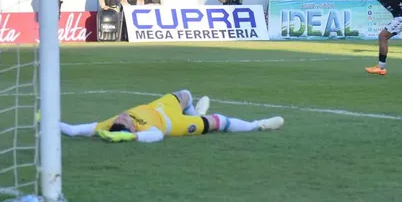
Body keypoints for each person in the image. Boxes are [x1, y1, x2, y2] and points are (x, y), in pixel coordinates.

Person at [59, 89, 284, 143]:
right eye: (124, 120)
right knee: (220, 122)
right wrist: (131, 138)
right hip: (173, 122)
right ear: (132, 129)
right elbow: (157, 136)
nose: (122, 115)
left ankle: (196, 112)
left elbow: (74, 129)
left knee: (186, 93)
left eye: (120, 117)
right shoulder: (145, 131)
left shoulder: (111, 123)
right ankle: (259, 125)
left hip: (160, 105)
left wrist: (51, 122)